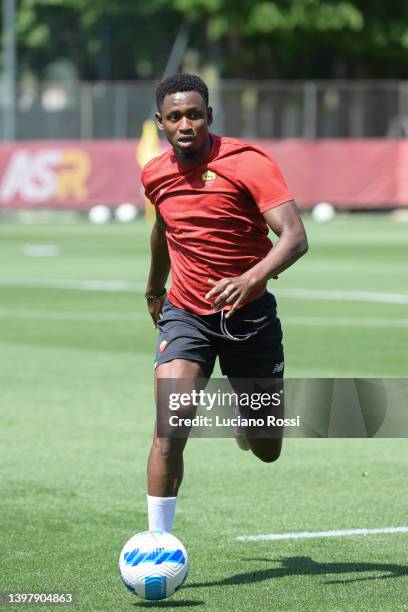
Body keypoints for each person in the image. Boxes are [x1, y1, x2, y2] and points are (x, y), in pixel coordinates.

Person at [141, 73, 308, 533]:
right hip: (186, 315)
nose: (186, 123)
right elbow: (163, 231)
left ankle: (246, 417)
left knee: (267, 446)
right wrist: (156, 288)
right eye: (175, 117)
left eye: (194, 114)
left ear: (209, 116)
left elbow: (294, 238)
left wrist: (249, 278)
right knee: (169, 427)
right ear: (161, 122)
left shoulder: (247, 162)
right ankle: (157, 542)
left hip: (249, 318)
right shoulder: (155, 174)